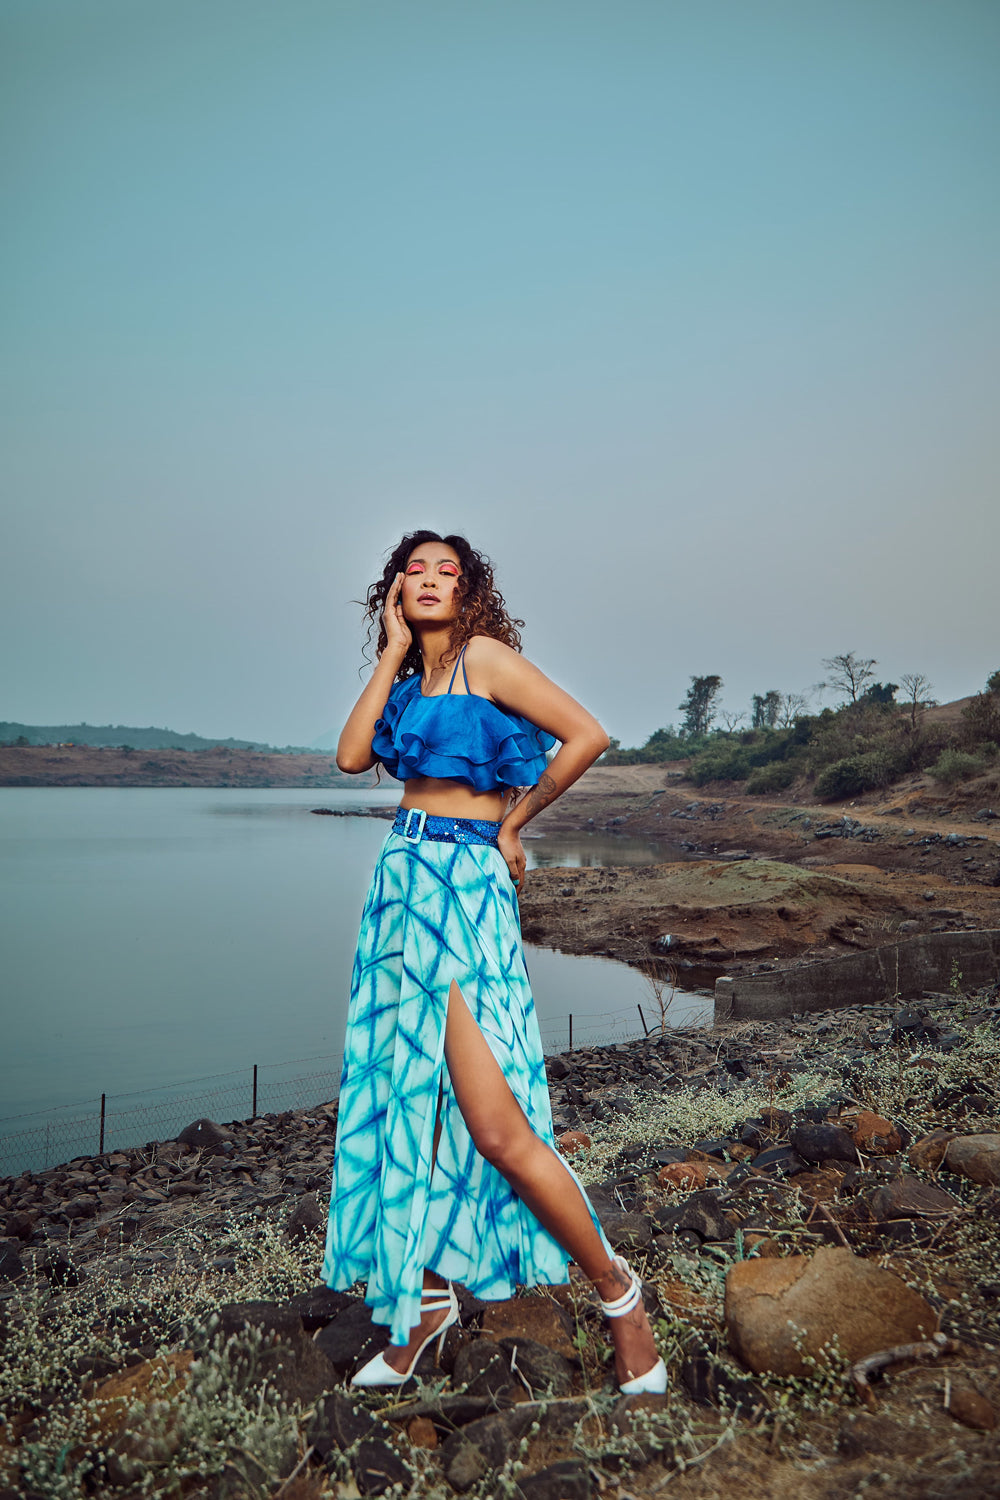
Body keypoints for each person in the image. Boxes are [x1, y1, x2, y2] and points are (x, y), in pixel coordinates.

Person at [321, 529, 665, 1394]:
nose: (431, 580)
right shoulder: (410, 678)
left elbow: (585, 736)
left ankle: (622, 1298)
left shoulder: (486, 658)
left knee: (496, 1129)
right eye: (415, 571)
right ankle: (425, 1308)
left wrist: (513, 824)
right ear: (394, 591)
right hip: (402, 878)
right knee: (409, 1106)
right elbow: (352, 756)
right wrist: (393, 651)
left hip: (463, 886)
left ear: (470, 590)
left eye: (448, 571)